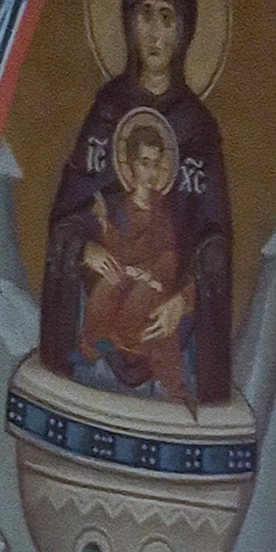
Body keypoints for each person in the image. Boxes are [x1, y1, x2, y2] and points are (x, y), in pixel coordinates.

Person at [39, 0, 232, 408]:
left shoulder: (197, 129)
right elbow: (68, 212)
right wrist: (85, 248)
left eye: (168, 17)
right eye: (145, 14)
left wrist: (183, 300)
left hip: (169, 321)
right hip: (101, 319)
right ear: (128, 21)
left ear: (185, 29)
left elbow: (213, 239)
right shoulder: (107, 112)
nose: (155, 33)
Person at [71, 106, 196, 405]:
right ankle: (97, 344)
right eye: (144, 163)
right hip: (124, 274)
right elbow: (116, 247)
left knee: (143, 296)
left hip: (153, 283)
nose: (151, 172)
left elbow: (171, 254)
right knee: (107, 285)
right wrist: (103, 223)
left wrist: (155, 275)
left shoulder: (166, 211)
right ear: (130, 164)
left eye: (156, 164)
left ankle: (135, 351)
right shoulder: (118, 206)